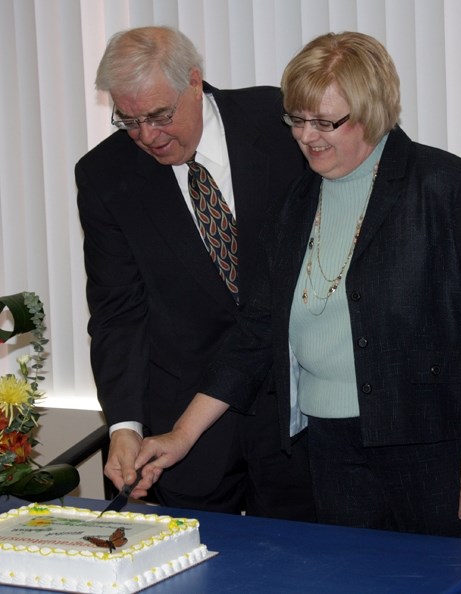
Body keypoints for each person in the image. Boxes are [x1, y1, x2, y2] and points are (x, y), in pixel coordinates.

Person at [133, 31, 461, 539]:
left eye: (326, 122)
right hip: (329, 447)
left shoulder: (442, 185)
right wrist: (181, 434)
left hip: (430, 444)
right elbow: (257, 331)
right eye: (298, 119)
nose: (308, 136)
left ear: (373, 112)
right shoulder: (297, 201)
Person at [74, 26, 314, 520]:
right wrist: (124, 426)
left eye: (160, 116)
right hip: (182, 423)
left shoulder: (280, 120)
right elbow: (118, 311)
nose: (147, 136)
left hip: (295, 408)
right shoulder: (104, 175)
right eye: (129, 120)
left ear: (195, 82)